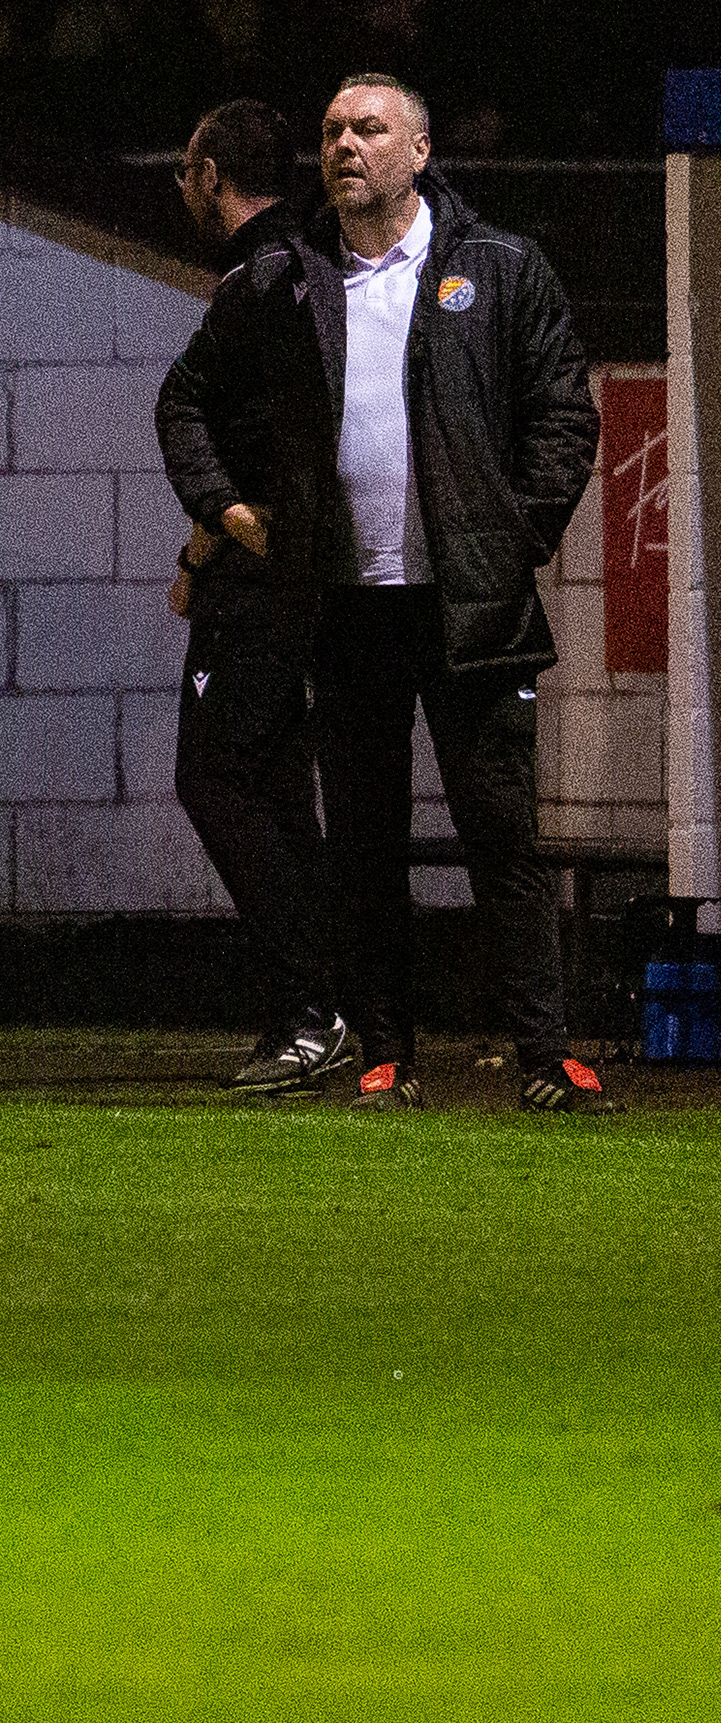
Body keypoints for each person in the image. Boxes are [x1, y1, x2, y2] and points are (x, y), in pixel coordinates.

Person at [304, 74, 604, 1112]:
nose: (346, 145)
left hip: (470, 606)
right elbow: (194, 402)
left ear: (421, 151)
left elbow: (565, 413)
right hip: (349, 608)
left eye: (369, 129)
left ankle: (545, 1057)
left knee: (502, 840)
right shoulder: (292, 277)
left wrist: (511, 540)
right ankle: (386, 1054)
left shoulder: (501, 266)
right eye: (333, 131)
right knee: (365, 849)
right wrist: (230, 508)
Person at [156, 99, 348, 1092]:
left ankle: (311, 1009)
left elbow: (188, 408)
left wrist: (229, 521)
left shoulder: (262, 279)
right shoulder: (311, 267)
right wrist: (204, 549)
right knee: (277, 791)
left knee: (216, 778)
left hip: (268, 589)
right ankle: (313, 1011)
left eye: (186, 173)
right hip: (301, 578)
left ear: (212, 175)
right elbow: (262, 436)